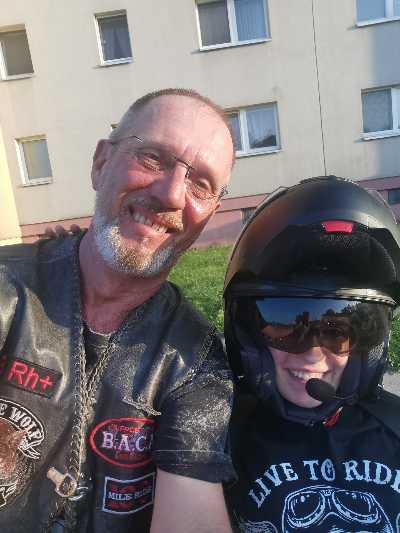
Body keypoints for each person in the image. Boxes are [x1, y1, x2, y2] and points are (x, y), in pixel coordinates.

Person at [0, 88, 235, 533]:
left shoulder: (195, 360)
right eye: (153, 158)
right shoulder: (6, 291)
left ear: (210, 213)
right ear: (100, 163)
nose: (172, 194)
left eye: (201, 184)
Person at [223, 176, 400, 532]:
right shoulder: (217, 440)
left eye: (336, 333)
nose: (312, 352)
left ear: (368, 349)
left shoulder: (394, 429)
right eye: (287, 324)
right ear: (249, 335)